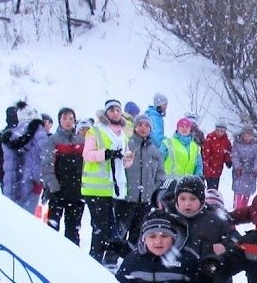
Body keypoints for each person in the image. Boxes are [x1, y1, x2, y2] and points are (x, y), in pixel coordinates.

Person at [82, 99, 134, 266]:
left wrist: (128, 159)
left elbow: (123, 161)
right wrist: (105, 154)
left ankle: (102, 258)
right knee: (100, 228)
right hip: (95, 187)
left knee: (109, 228)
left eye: (117, 110)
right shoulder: (95, 131)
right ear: (106, 113)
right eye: (111, 110)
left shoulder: (123, 134)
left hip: (113, 188)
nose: (115, 113)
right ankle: (94, 260)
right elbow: (87, 155)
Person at [42, 108, 86, 245]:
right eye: (65, 118)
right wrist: (54, 186)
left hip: (77, 192)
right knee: (52, 228)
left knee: (73, 230)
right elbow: (47, 166)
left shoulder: (81, 140)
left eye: (71, 119)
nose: (68, 122)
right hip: (58, 191)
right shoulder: (53, 140)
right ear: (59, 120)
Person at [122, 114, 165, 245]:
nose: (143, 128)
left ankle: (131, 255)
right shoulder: (127, 145)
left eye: (147, 125)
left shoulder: (154, 150)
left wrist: (153, 188)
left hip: (146, 198)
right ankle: (112, 256)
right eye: (140, 125)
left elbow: (160, 173)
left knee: (138, 229)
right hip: (127, 197)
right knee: (121, 228)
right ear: (135, 127)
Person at [0, 104, 48, 214]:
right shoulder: (39, 132)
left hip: (11, 185)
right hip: (32, 184)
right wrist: (44, 181)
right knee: (27, 221)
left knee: (12, 217)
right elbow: (45, 157)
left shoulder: (9, 135)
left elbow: (8, 164)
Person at [230, 125, 257, 210]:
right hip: (240, 170)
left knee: (248, 190)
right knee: (238, 189)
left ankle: (243, 208)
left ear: (252, 136)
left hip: (251, 171)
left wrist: (256, 168)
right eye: (245, 135)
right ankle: (237, 207)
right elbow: (234, 156)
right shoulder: (237, 144)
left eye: (249, 135)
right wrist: (237, 166)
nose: (247, 137)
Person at [202, 121, 233, 190]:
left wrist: (228, 161)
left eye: (222, 131)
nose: (220, 133)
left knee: (214, 189)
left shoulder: (226, 141)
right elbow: (205, 154)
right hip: (208, 167)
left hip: (218, 169)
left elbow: (227, 152)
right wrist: (206, 167)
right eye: (218, 130)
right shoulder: (209, 138)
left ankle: (213, 199)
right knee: (207, 188)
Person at [146, 93, 169, 158]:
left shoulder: (154, 115)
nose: (166, 106)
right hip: (152, 150)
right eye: (164, 104)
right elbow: (156, 137)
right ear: (159, 104)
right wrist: (166, 142)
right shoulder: (154, 117)